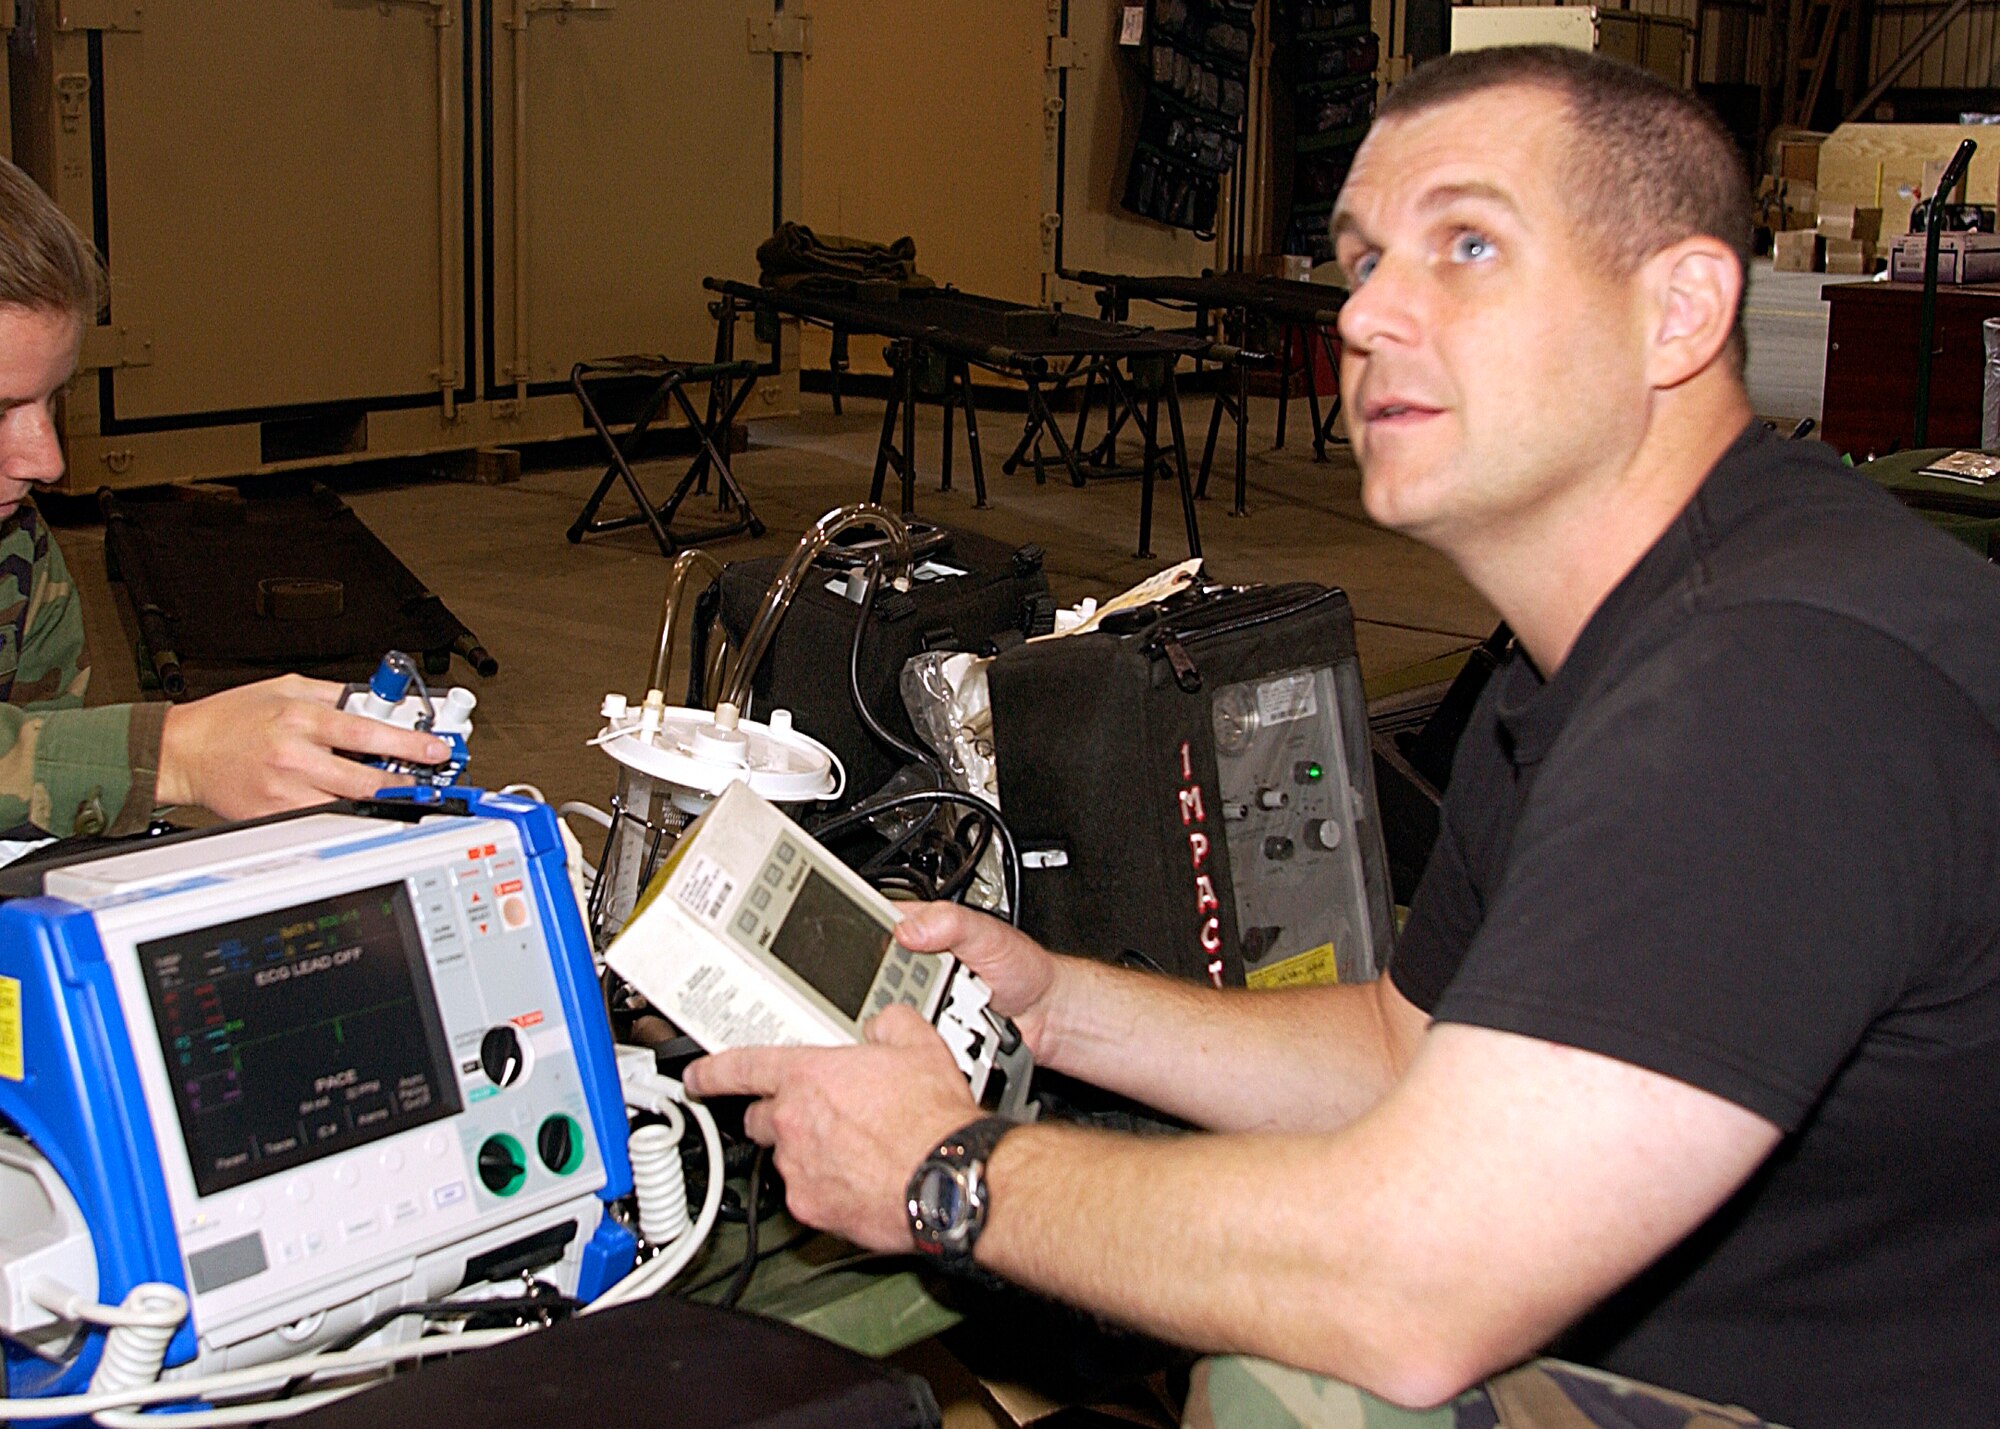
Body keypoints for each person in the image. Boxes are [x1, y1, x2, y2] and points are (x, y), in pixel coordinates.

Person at [683, 46, 2000, 1429]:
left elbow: (1417, 1284)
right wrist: (1055, 1003)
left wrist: (946, 1169)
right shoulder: (1616, 648)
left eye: (1469, 245)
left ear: (1679, 308)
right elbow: (1402, 1051)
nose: (1370, 315)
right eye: (1364, 260)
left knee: (1291, 1387)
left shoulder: (1771, 687)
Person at [0, 157, 449, 838]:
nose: (47, 458)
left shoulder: (20, 554)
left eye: (51, 400)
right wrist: (175, 753)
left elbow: (35, 806)